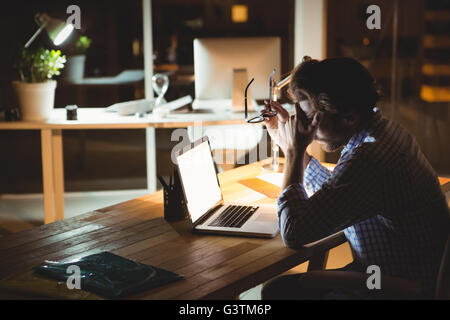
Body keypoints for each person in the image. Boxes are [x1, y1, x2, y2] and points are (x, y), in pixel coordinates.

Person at [261, 56, 449, 299]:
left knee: (278, 292)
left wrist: (294, 152)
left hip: (397, 288)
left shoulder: (369, 158)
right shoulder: (381, 133)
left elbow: (294, 232)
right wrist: (287, 141)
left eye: (309, 119)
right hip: (393, 274)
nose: (303, 128)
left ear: (348, 117)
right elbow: (341, 191)